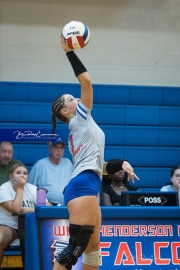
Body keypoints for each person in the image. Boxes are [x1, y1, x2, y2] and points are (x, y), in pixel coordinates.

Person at [51, 36, 139, 270]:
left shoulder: (79, 129)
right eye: (71, 99)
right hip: (82, 187)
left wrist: (120, 164)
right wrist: (69, 52)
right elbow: (87, 81)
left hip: (87, 183)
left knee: (92, 251)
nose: (76, 97)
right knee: (75, 249)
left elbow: (97, 166)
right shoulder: (80, 117)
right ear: (65, 110)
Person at [0, 163, 51, 267]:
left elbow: (47, 207)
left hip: (29, 226)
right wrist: (20, 189)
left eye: (25, 173)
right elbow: (15, 209)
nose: (22, 175)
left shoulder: (34, 188)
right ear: (11, 176)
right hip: (9, 226)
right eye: (18, 173)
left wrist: (24, 210)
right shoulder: (3, 189)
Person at [28, 137, 73, 206]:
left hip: (66, 204)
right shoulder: (40, 164)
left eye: (61, 147)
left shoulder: (68, 163)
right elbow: (29, 187)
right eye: (56, 147)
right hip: (46, 205)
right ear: (50, 149)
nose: (59, 150)